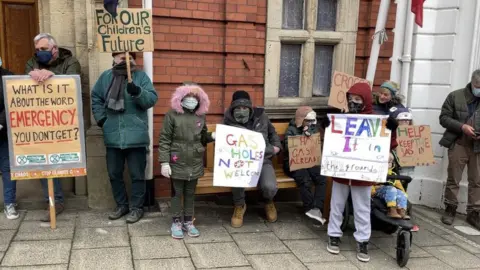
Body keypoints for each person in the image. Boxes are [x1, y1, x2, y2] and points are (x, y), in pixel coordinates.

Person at [324, 82, 398, 262]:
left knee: (362, 208)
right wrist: (325, 126)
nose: (353, 102)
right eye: (351, 99)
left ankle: (363, 240)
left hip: (363, 174)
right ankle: (334, 235)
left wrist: (392, 130)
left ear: (365, 101)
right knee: (336, 205)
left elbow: (389, 144)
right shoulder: (342, 118)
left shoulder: (377, 121)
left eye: (358, 99)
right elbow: (331, 141)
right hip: (342, 172)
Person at [91, 52, 158, 224]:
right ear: (113, 58)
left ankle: (137, 208)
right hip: (113, 136)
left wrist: (138, 92)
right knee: (114, 174)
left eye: (128, 56)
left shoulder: (140, 76)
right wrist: (102, 120)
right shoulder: (106, 77)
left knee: (137, 175)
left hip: (136, 136)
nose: (125, 59)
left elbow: (151, 99)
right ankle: (121, 205)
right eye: (121, 57)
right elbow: (96, 98)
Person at [25, 33, 81, 221]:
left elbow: (73, 82)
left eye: (43, 49)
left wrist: (53, 76)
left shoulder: (71, 62)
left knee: (58, 157)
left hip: (63, 120)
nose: (39, 53)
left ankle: (57, 199)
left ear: (54, 49)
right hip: (40, 121)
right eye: (37, 50)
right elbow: (24, 86)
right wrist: (30, 76)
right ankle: (53, 201)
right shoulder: (31, 62)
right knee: (43, 160)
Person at [158, 83, 214, 239]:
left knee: (190, 193)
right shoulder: (172, 115)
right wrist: (164, 162)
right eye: (187, 97)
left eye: (194, 98)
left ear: (199, 100)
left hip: (194, 161)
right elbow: (164, 139)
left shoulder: (200, 116)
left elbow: (203, 137)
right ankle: (176, 221)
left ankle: (188, 221)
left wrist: (212, 136)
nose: (191, 100)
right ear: (180, 99)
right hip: (177, 160)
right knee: (177, 193)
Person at [223, 90, 282, 228]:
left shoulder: (262, 117)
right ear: (233, 108)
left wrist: (277, 146)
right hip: (239, 162)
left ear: (250, 108)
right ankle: (239, 205)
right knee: (236, 177)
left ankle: (268, 201)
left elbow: (272, 132)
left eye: (244, 108)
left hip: (263, 160)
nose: (241, 111)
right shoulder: (227, 121)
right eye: (238, 108)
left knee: (269, 186)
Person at [439, 69, 480, 230]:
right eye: (478, 85)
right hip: (459, 143)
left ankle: (474, 213)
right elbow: (443, 118)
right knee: (453, 178)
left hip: (477, 147)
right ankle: (450, 208)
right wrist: (462, 127)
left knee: (477, 181)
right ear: (472, 82)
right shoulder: (455, 96)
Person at [283, 106, 326, 224]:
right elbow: (288, 147)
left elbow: (317, 146)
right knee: (305, 180)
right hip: (294, 163)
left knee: (321, 178)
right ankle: (309, 208)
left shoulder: (314, 129)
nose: (311, 123)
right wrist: (302, 136)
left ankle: (317, 207)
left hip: (310, 161)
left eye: (313, 121)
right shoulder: (291, 129)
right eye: (308, 121)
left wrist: (311, 136)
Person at [0, 58, 18, 219]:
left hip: (3, 131)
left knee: (8, 168)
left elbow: (11, 102)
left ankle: (9, 203)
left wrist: (1, 122)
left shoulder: (8, 77)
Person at [371, 153, 409, 219]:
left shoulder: (393, 174)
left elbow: (399, 185)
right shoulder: (375, 172)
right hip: (377, 190)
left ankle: (401, 210)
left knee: (401, 193)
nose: (389, 163)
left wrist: (404, 194)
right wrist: (372, 192)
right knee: (392, 189)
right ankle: (392, 210)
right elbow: (370, 183)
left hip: (390, 190)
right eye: (387, 162)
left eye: (391, 162)